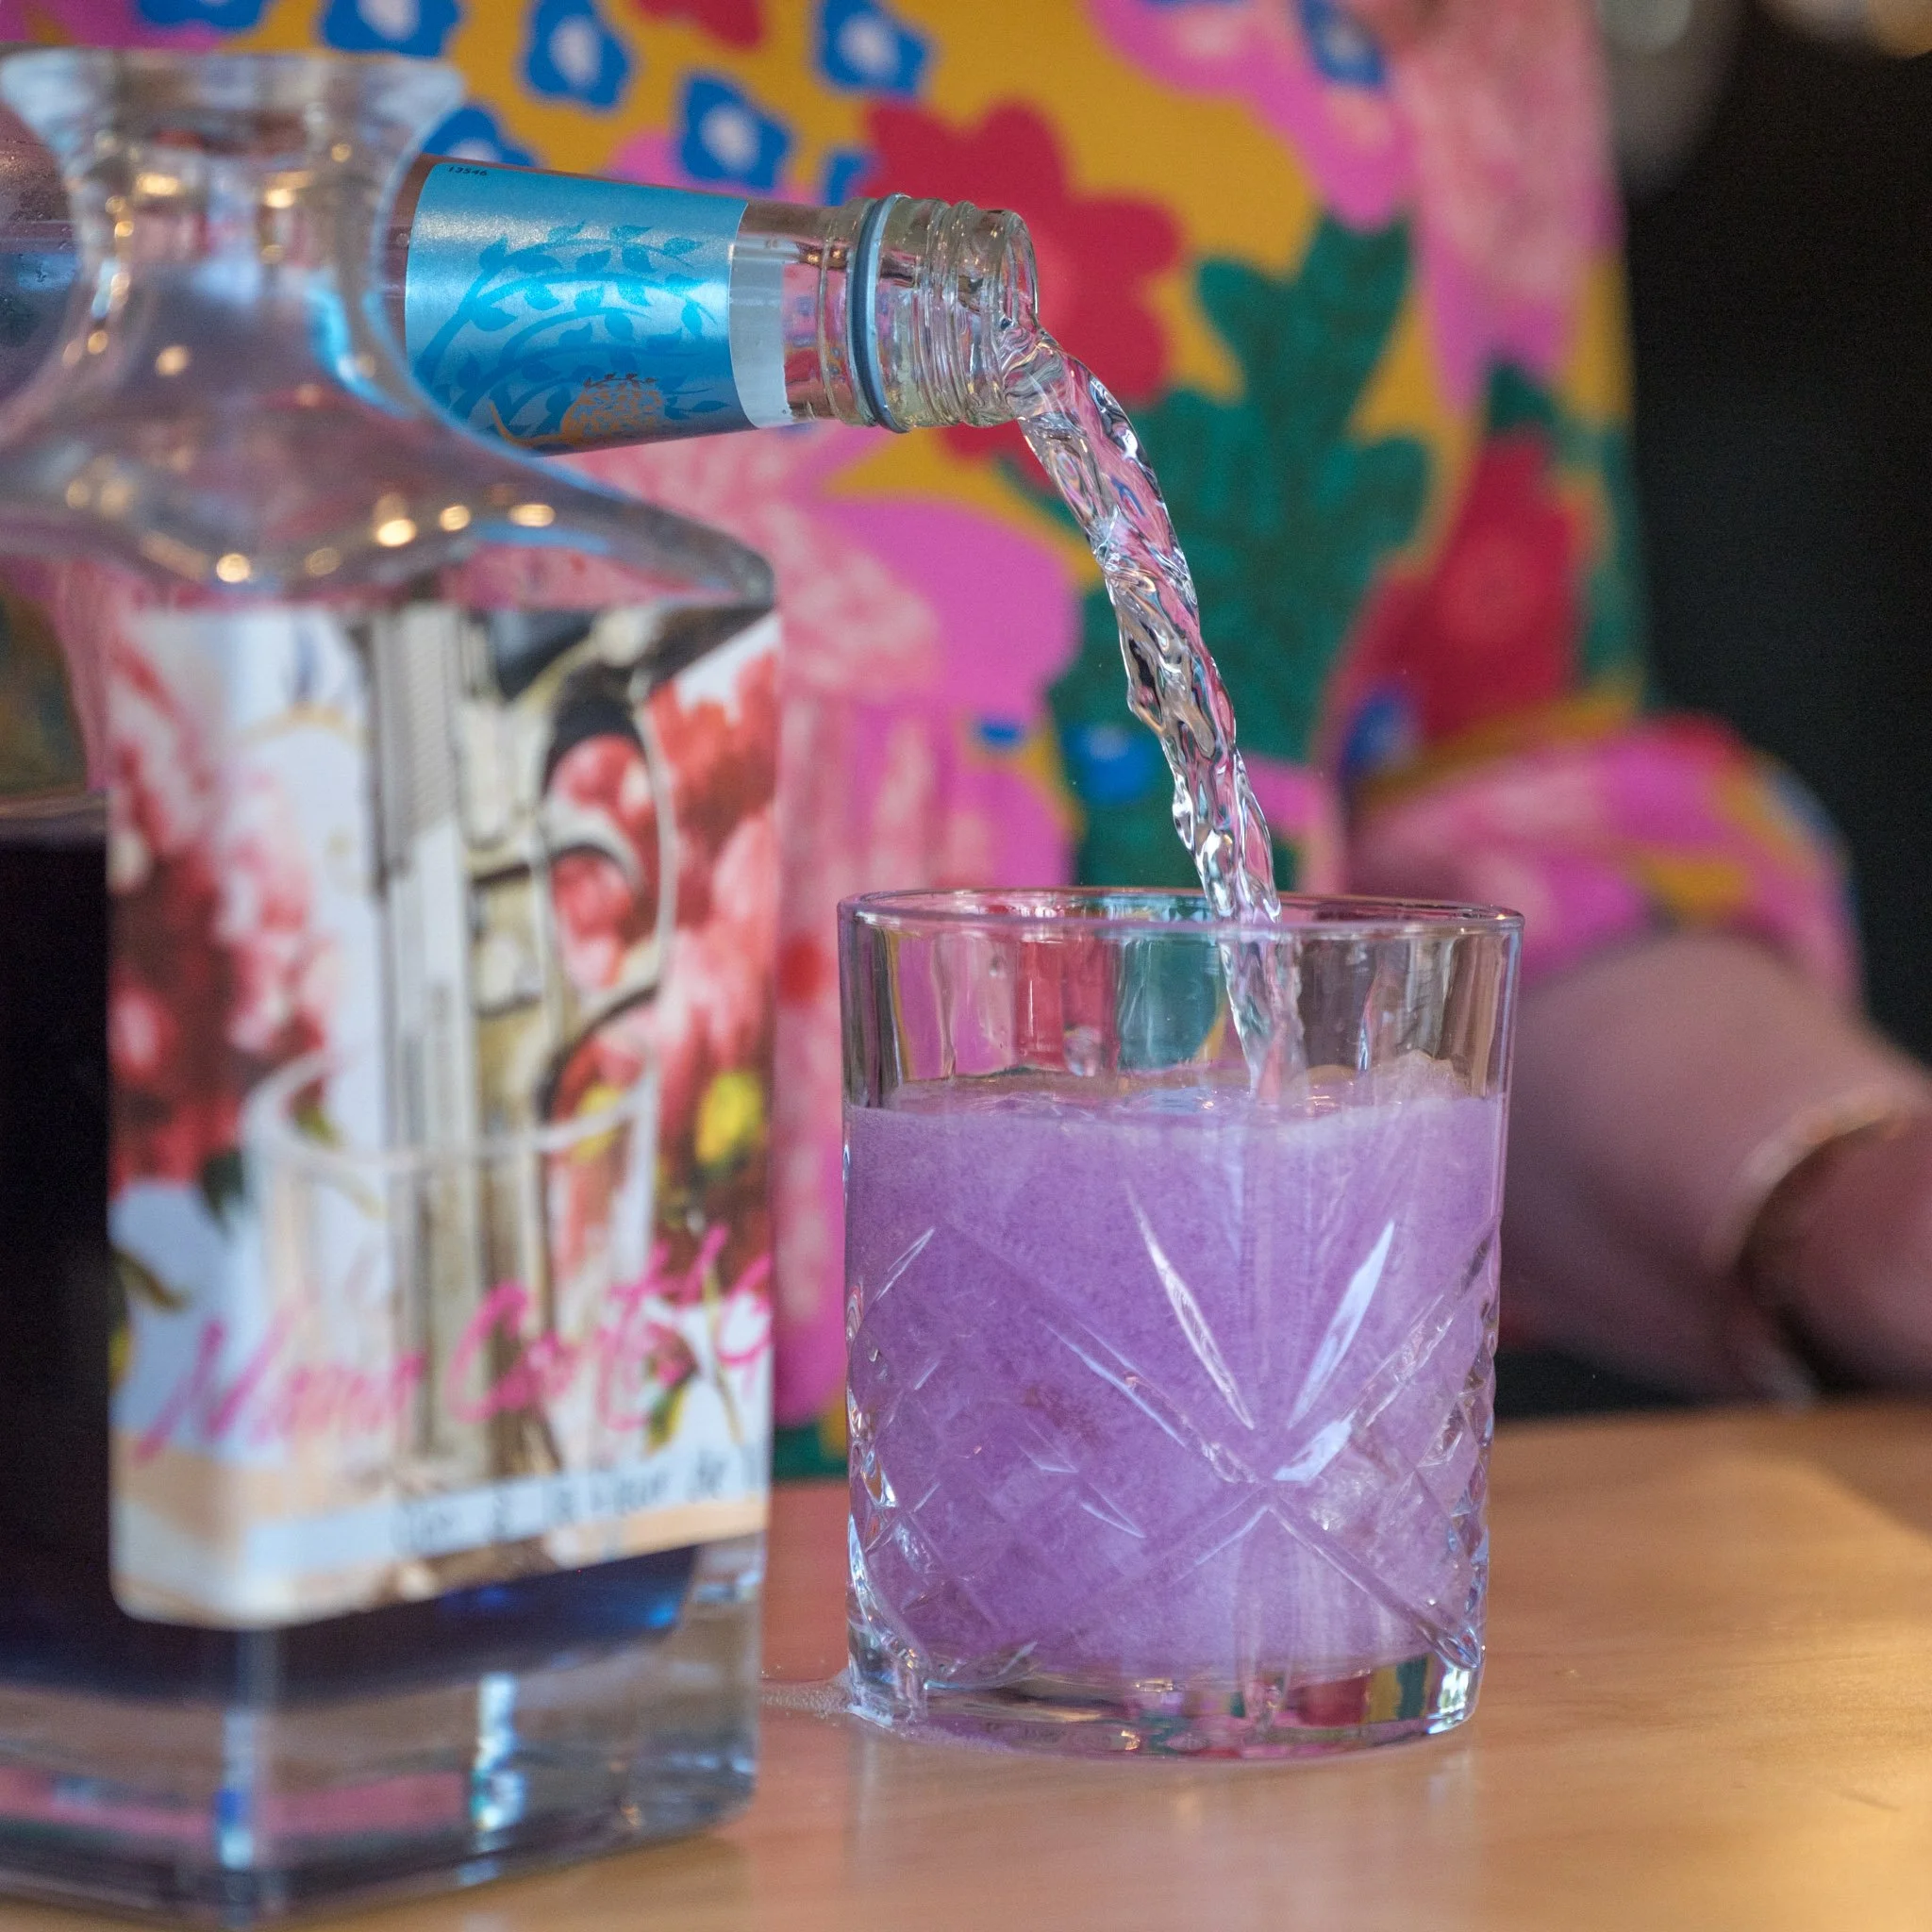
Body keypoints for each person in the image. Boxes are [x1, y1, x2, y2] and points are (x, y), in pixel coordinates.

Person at [10, 0, 1929, 1461]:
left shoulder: (1425, 26)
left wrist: (1832, 1194)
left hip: (1079, 1637)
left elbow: (1478, 814)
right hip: (202, 1578)